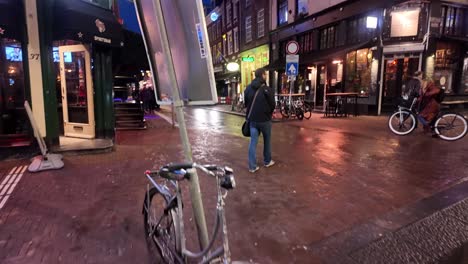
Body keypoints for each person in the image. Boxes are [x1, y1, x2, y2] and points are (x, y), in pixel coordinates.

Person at [244, 68, 276, 173]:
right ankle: (267, 161)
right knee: (267, 141)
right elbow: (272, 105)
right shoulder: (267, 89)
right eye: (265, 74)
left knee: (253, 142)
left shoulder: (248, 88)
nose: (266, 76)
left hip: (253, 120)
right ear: (262, 75)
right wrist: (269, 113)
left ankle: (252, 167)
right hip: (265, 120)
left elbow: (246, 103)